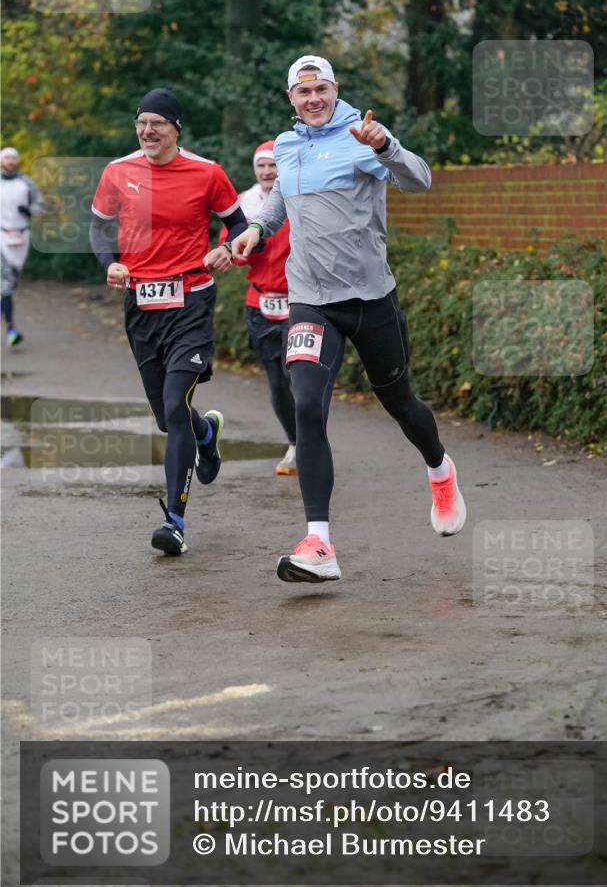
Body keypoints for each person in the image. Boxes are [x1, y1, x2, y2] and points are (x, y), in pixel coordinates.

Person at [232, 55, 466, 584]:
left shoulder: (362, 137)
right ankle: (320, 544)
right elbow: (278, 203)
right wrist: (257, 231)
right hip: (310, 299)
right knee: (308, 405)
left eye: (321, 89)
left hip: (369, 299)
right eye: (302, 92)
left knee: (400, 401)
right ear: (290, 97)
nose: (312, 99)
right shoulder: (286, 146)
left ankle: (439, 469)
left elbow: (420, 181)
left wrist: (386, 146)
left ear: (336, 90)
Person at [90, 87, 245, 556]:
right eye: (142, 122)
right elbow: (98, 227)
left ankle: (174, 522)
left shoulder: (206, 172)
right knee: (167, 416)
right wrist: (109, 263)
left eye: (158, 122)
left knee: (176, 402)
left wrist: (223, 247)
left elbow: (238, 223)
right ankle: (206, 432)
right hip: (141, 306)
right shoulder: (118, 172)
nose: (148, 130)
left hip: (191, 302)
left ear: (177, 128)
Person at [234, 140, 296, 476]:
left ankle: (311, 440)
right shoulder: (244, 203)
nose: (267, 171)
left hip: (297, 301)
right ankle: (295, 442)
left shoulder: (296, 198)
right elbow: (230, 245)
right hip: (260, 302)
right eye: (262, 166)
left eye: (273, 165)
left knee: (295, 375)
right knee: (276, 382)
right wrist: (235, 252)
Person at [1, 146, 43, 346]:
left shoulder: (26, 183)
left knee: (11, 282)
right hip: (1, 235)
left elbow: (40, 205)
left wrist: (29, 209)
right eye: (6, 158)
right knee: (5, 285)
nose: (9, 161)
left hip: (21, 237)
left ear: (16, 161)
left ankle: (6, 313)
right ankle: (11, 329)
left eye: (12, 158)